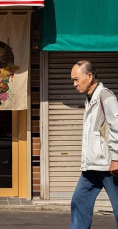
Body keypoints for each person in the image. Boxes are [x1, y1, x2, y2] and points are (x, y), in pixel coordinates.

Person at [70, 60, 118, 229]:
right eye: (73, 81)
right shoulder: (90, 99)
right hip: (92, 166)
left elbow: (116, 127)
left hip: (108, 166)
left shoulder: (105, 96)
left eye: (76, 79)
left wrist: (116, 158)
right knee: (79, 202)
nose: (74, 84)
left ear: (89, 76)